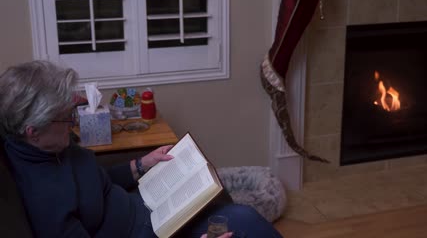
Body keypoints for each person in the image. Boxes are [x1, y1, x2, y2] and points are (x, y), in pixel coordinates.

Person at [0, 60, 283, 238]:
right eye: (66, 118)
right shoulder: (43, 199)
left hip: (148, 207)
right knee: (242, 223)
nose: (74, 122)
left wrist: (140, 165)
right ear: (32, 131)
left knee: (226, 204)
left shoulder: (54, 145)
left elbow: (93, 182)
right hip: (150, 230)